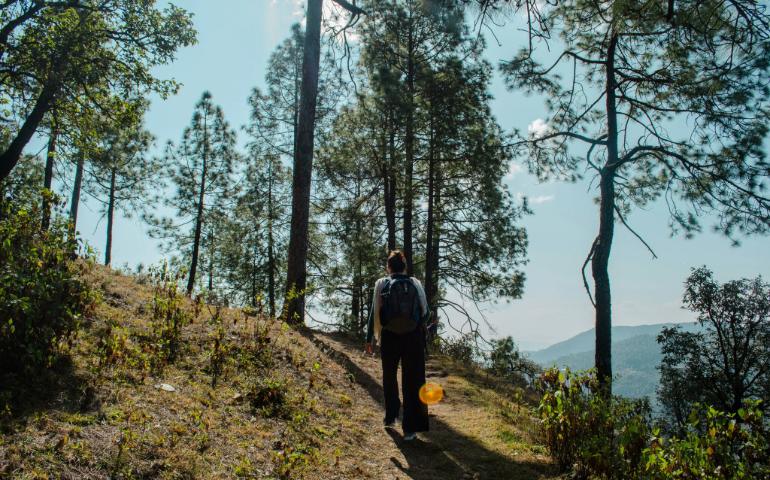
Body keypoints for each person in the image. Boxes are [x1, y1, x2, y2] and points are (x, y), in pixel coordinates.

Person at [365, 250, 429, 441]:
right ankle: (410, 429)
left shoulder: (382, 284)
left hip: (390, 336)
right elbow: (425, 313)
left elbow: (374, 314)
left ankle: (391, 417)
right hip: (412, 337)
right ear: (405, 267)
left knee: (390, 377)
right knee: (414, 380)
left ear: (388, 267)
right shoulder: (415, 284)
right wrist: (416, 324)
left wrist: (369, 339)